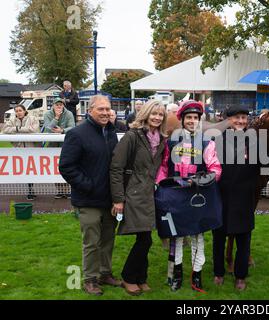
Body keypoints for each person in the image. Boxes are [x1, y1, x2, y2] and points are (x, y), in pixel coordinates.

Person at [156, 100, 222, 292]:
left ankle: (197, 276)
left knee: (197, 237)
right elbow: (163, 167)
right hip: (175, 196)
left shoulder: (207, 143)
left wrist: (198, 181)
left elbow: (215, 169)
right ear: (182, 120)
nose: (192, 121)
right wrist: (160, 185)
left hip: (196, 195)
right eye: (189, 117)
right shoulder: (171, 142)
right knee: (176, 237)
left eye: (195, 117)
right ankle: (176, 276)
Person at [59, 95, 121, 296]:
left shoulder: (111, 132)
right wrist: (88, 185)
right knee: (92, 242)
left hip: (109, 199)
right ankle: (90, 279)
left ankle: (105, 273)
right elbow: (67, 167)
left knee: (108, 239)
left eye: (107, 109)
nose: (105, 113)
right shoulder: (77, 134)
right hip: (88, 199)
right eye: (100, 109)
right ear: (90, 111)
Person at [110, 100, 167, 296]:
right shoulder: (132, 136)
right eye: (154, 113)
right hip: (133, 194)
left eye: (161, 114)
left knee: (146, 237)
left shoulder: (161, 139)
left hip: (149, 194)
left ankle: (141, 277)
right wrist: (118, 199)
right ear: (146, 114)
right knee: (145, 239)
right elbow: (116, 168)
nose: (157, 117)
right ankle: (129, 277)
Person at [213, 104, 260, 291]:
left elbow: (264, 165)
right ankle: (218, 272)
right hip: (221, 197)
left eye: (244, 118)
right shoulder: (217, 140)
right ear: (228, 119)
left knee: (243, 240)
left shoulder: (255, 141)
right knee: (218, 239)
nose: (241, 121)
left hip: (244, 198)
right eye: (237, 118)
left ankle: (241, 276)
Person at [1, 104, 40, 200]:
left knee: (32, 169)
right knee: (24, 169)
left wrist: (18, 130)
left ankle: (31, 189)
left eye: (20, 110)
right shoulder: (12, 120)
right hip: (19, 148)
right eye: (16, 111)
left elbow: (34, 129)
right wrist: (17, 129)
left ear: (24, 110)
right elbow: (5, 129)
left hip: (31, 147)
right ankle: (30, 190)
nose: (18, 113)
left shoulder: (33, 118)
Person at [43, 97, 76, 199]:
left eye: (61, 104)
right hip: (52, 143)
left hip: (66, 143)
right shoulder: (47, 114)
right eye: (57, 104)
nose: (59, 106)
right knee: (54, 167)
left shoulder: (69, 114)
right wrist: (56, 117)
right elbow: (48, 129)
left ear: (63, 105)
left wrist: (62, 130)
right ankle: (60, 191)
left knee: (67, 165)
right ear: (53, 105)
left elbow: (72, 127)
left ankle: (68, 190)